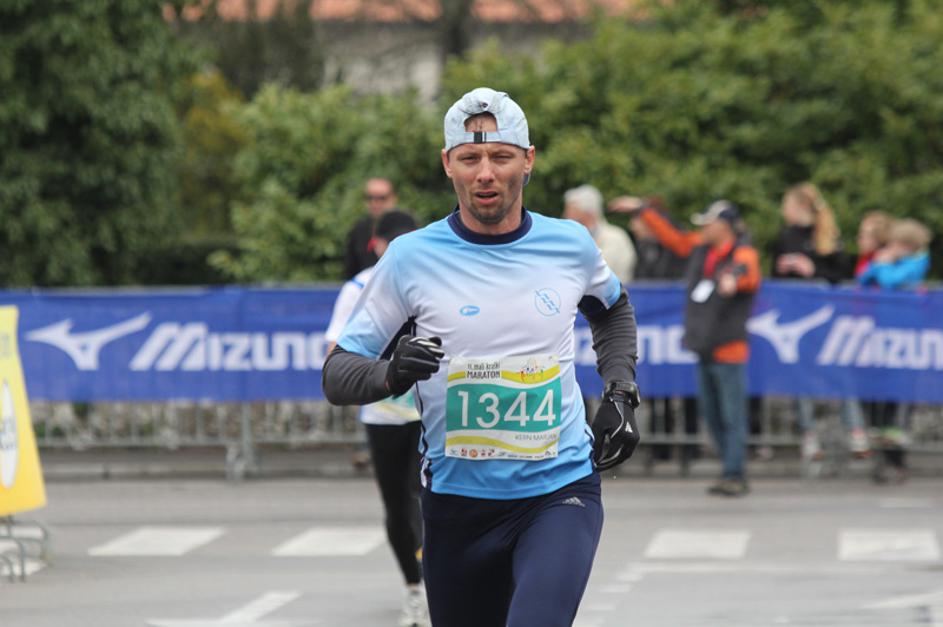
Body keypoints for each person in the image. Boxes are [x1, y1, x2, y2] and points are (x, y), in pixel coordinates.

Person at [322, 87, 641, 627]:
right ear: (448, 164)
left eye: (501, 156)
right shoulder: (410, 258)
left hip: (559, 491)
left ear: (529, 160)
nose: (486, 173)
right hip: (457, 504)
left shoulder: (570, 245)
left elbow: (613, 312)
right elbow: (337, 373)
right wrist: (391, 373)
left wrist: (620, 390)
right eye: (470, 158)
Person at [324, 210, 429, 627]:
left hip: (430, 412)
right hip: (383, 414)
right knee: (397, 506)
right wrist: (382, 369)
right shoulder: (358, 287)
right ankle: (414, 587)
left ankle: (435, 581)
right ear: (377, 246)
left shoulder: (434, 278)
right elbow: (335, 352)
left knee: (428, 499)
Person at [620, 199, 760, 496]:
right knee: (711, 414)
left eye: (708, 223)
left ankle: (735, 473)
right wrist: (643, 211)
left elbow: (745, 271)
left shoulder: (742, 253)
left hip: (729, 349)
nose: (703, 228)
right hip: (704, 346)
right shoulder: (701, 249)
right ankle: (729, 468)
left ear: (723, 226)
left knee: (732, 415)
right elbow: (673, 238)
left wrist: (733, 279)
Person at [770, 183, 867, 461]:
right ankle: (809, 434)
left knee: (839, 372)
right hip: (796, 319)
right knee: (802, 378)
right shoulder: (786, 237)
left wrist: (812, 269)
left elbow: (843, 275)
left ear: (801, 206)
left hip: (827, 318)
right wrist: (784, 269)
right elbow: (775, 277)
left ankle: (855, 430)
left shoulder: (827, 236)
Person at [857, 217, 932, 482]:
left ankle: (897, 461)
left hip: (906, 340)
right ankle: (883, 459)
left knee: (901, 404)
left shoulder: (917, 261)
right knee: (882, 402)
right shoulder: (893, 260)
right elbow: (863, 278)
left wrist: (882, 264)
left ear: (908, 245)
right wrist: (879, 263)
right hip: (884, 336)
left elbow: (890, 281)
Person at [562, 185, 637, 284]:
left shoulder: (615, 237)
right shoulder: (570, 238)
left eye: (571, 210)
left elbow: (599, 272)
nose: (565, 215)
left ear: (588, 213)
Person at [344, 177, 398, 279]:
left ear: (393, 198)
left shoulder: (405, 229)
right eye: (370, 198)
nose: (375, 202)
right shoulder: (358, 230)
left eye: (382, 198)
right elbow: (350, 271)